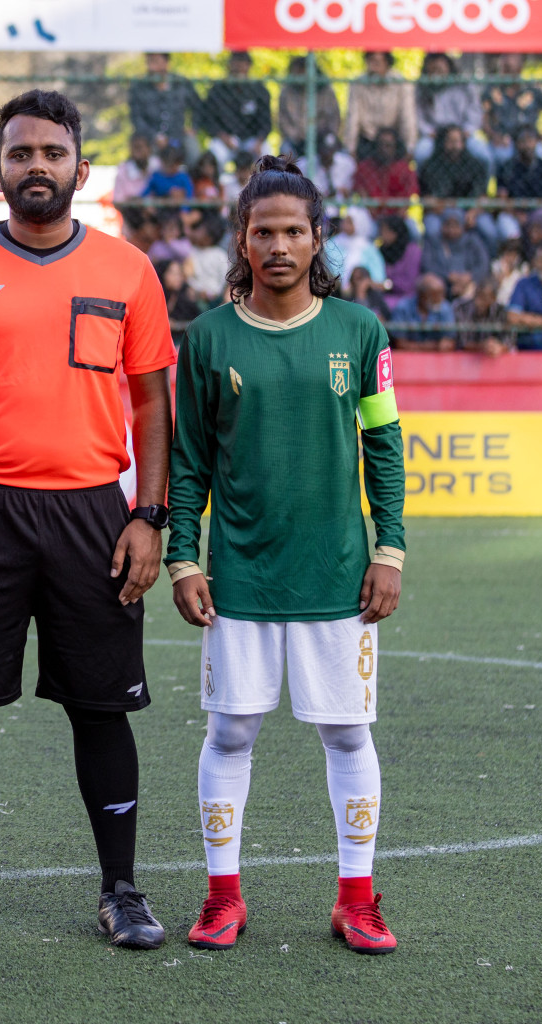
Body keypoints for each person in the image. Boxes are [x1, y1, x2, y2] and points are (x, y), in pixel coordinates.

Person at [0, 90, 175, 951]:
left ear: (81, 170)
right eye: (21, 154)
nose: (37, 167)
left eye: (53, 153)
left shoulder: (127, 271)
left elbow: (152, 405)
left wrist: (149, 515)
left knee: (102, 709)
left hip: (93, 512)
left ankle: (122, 890)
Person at [167, 155, 405, 956]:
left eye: (293, 231)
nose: (278, 245)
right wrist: (184, 559)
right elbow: (190, 460)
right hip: (240, 577)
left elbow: (385, 447)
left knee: (347, 737)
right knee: (230, 731)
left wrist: (391, 550)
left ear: (316, 239)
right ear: (241, 238)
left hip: (338, 578)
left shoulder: (360, 331)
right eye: (262, 231)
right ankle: (222, 897)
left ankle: (357, 901)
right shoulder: (206, 339)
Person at [199, 51, 271, 169]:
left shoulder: (259, 90)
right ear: (229, 65)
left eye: (243, 63)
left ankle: (266, 187)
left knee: (267, 156)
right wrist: (223, 137)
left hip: (251, 140)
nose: (239, 67)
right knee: (215, 155)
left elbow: (266, 123)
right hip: (226, 139)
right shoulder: (218, 90)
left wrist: (259, 141)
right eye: (236, 63)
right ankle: (217, 187)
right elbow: (208, 121)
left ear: (249, 66)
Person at [415, 53, 487, 165]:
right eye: (433, 69)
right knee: (421, 153)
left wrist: (466, 131)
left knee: (482, 154)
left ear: (449, 66)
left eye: (440, 69)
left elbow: (475, 111)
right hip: (434, 135)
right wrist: (429, 132)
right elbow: (418, 117)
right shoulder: (422, 88)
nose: (436, 73)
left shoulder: (464, 85)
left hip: (462, 133)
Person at [484, 53, 542, 166]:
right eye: (504, 67)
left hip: (528, 138)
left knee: (538, 154)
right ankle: (503, 184)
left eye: (510, 67)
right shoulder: (493, 89)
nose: (506, 69)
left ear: (520, 66)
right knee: (501, 155)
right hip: (503, 140)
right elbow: (483, 117)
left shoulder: (532, 88)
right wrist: (494, 136)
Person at [345, 51, 416, 161]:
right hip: (368, 137)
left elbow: (407, 116)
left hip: (393, 137)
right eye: (370, 61)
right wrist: (351, 147)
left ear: (387, 63)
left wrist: (409, 146)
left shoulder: (400, 83)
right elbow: (353, 117)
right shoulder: (358, 83)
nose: (373, 67)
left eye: (377, 62)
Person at [129, 53, 199, 154]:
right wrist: (154, 136)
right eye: (149, 62)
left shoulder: (180, 84)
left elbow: (198, 106)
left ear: (166, 63)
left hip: (178, 134)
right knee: (140, 146)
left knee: (192, 148)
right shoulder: (140, 87)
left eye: (155, 62)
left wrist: (193, 127)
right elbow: (136, 118)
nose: (151, 67)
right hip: (150, 137)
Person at [494, 128, 542, 241]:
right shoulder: (507, 167)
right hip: (513, 213)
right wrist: (517, 215)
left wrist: (537, 217)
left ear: (536, 142)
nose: (527, 145)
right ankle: (513, 257)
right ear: (516, 144)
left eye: (530, 140)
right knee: (506, 225)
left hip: (538, 213)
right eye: (523, 141)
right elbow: (501, 200)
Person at [420, 209, 489, 301]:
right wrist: (449, 276)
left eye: (456, 225)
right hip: (443, 283)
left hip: (470, 282)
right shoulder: (433, 241)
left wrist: (469, 277)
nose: (451, 230)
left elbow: (483, 264)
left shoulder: (472, 241)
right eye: (448, 225)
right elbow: (428, 265)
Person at [278, 57, 341, 157]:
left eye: (302, 71)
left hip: (321, 136)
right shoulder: (287, 92)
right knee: (285, 151)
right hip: (296, 139)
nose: (299, 75)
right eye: (296, 72)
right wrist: (297, 135)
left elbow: (334, 119)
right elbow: (282, 121)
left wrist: (325, 134)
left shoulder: (326, 90)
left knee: (333, 147)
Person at [352, 128, 417, 211]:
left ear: (395, 147)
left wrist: (393, 222)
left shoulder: (404, 170)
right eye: (380, 145)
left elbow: (407, 199)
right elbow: (362, 194)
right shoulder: (365, 168)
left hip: (397, 218)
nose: (384, 149)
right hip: (370, 216)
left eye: (388, 145)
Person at [505, 242, 542, 350]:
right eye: (541, 260)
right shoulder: (524, 284)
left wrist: (529, 319)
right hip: (529, 348)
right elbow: (512, 316)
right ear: (535, 262)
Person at [392, 273, 457, 351]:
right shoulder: (402, 308)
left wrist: (415, 346)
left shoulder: (445, 308)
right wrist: (434, 346)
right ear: (422, 295)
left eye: (441, 295)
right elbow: (400, 344)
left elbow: (449, 343)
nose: (440, 299)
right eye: (435, 295)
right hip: (408, 357)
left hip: (436, 359)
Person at [185, 211, 229, 307]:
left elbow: (223, 277)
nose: (196, 233)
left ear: (209, 236)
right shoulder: (193, 252)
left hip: (215, 295)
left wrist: (214, 293)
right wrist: (197, 290)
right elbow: (189, 274)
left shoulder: (219, 254)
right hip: (196, 294)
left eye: (200, 230)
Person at [455, 277, 509, 355]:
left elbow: (508, 341)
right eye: (477, 295)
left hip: (494, 356)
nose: (478, 301)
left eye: (484, 298)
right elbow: (462, 341)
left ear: (493, 298)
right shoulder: (461, 308)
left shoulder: (501, 311)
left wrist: (498, 346)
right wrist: (483, 345)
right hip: (466, 358)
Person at [376, 215, 421, 303]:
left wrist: (388, 285)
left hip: (408, 298)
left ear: (396, 233)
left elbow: (410, 284)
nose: (382, 235)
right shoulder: (381, 250)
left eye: (386, 231)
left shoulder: (413, 251)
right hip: (384, 296)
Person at [297, 133, 356, 200]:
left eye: (331, 150)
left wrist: (340, 190)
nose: (328, 154)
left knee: (357, 210)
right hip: (315, 204)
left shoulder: (347, 163)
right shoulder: (306, 164)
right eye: (325, 150)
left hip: (340, 204)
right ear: (319, 149)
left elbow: (349, 191)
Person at [159, 258, 204, 343]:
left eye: (179, 274)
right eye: (173, 273)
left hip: (181, 341)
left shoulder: (187, 296)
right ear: (162, 274)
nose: (177, 278)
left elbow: (200, 322)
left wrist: (176, 325)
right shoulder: (156, 297)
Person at [113, 133, 159, 206]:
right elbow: (118, 201)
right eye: (134, 148)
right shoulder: (123, 170)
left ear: (149, 148)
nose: (137, 152)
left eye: (139, 147)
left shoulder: (159, 166)